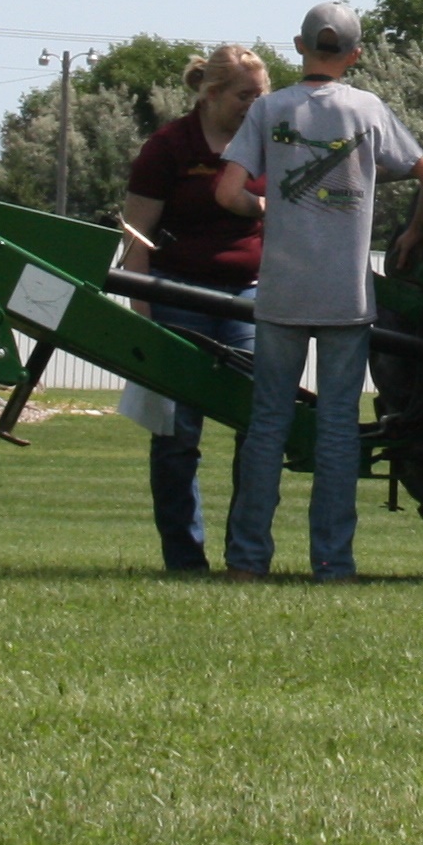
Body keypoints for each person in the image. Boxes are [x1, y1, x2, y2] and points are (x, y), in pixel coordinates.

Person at [212, 0, 423, 582]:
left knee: (268, 423)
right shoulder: (367, 110)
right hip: (346, 295)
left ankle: (247, 559)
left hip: (283, 293)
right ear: (356, 55)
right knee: (338, 427)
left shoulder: (270, 109)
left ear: (299, 46)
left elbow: (226, 193)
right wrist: (414, 232)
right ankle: (332, 562)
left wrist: (262, 206)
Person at [119, 43, 271, 574]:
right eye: (244, 95)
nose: (256, 105)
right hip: (177, 296)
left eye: (262, 95)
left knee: (257, 429)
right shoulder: (169, 147)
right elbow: (135, 241)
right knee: (178, 439)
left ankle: (245, 558)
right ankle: (184, 560)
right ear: (210, 95)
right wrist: (146, 315)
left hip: (248, 298)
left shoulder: (269, 145)